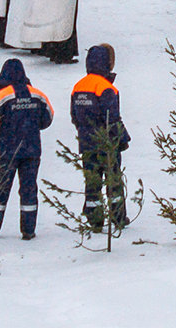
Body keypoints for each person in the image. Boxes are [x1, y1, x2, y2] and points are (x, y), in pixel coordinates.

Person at [0, 59, 54, 240]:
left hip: (9, 149)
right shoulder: (37, 94)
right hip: (32, 149)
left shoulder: (3, 95)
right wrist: (31, 128)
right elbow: (48, 118)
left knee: (2, 188)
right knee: (29, 189)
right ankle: (28, 230)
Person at [71, 44, 130, 231]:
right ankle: (118, 217)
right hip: (107, 143)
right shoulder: (106, 88)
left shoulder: (78, 87)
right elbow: (112, 118)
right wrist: (122, 138)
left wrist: (85, 132)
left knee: (92, 182)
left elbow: (74, 116)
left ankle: (95, 220)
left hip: (87, 143)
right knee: (113, 181)